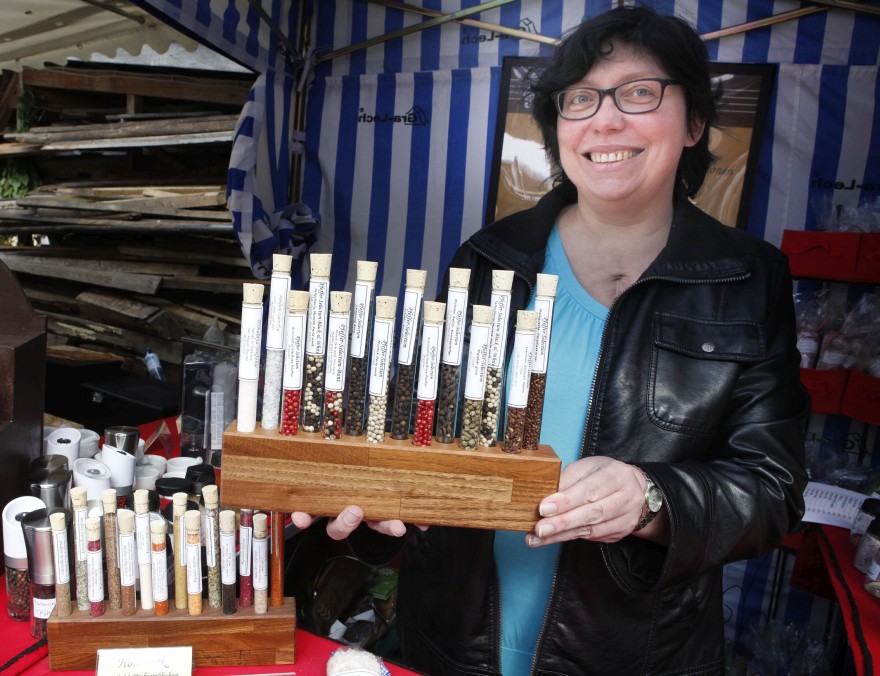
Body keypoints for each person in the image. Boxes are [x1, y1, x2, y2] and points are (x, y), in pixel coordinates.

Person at [292, 6, 808, 674]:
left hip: (636, 654)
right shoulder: (489, 259)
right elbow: (416, 435)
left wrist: (653, 498)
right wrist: (379, 509)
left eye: (640, 92)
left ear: (695, 123)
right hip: (453, 641)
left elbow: (771, 488)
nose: (605, 120)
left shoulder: (746, 280)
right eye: (580, 99)